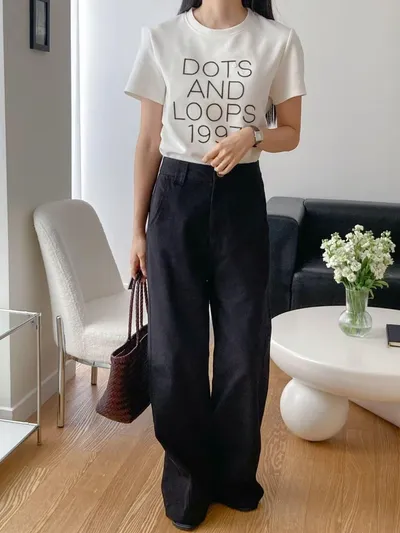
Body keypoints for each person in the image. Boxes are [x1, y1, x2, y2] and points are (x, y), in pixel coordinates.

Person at [125, 0, 306, 529]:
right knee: (174, 352)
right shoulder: (162, 37)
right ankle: (188, 483)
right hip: (174, 196)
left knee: (244, 348)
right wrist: (136, 229)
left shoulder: (277, 40)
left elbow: (292, 130)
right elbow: (148, 140)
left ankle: (233, 477)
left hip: (240, 198)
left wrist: (253, 134)